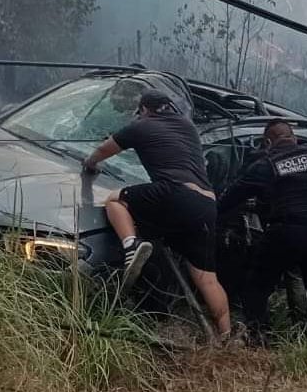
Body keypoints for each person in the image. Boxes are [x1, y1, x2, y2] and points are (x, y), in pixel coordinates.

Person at [82, 88, 231, 339]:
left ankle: (132, 246)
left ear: (144, 110)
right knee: (206, 279)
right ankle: (227, 335)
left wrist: (90, 164)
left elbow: (104, 151)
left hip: (174, 194)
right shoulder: (188, 126)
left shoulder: (140, 126)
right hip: (206, 205)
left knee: (115, 201)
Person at [218, 119, 307, 345]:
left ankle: (257, 337)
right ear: (294, 138)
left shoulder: (266, 165)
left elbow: (230, 198)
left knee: (257, 285)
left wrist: (214, 213)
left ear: (267, 142)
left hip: (288, 231)